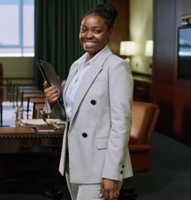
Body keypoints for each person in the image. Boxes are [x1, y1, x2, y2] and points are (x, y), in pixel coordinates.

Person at [43, 3, 133, 200]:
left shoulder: (116, 67)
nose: (88, 35)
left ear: (109, 33)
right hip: (73, 158)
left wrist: (111, 172)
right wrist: (51, 102)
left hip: (99, 163)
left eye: (97, 30)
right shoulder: (77, 65)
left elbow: (121, 125)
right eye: (84, 29)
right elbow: (68, 115)